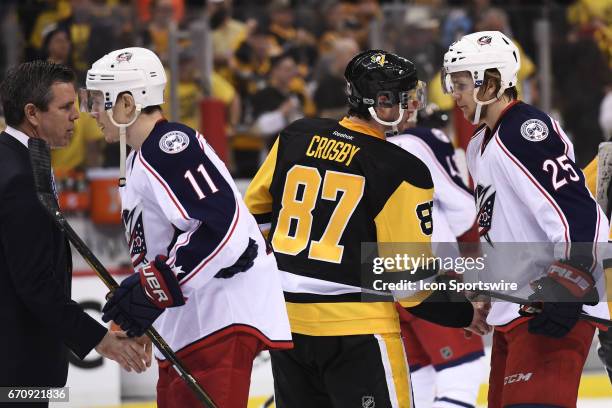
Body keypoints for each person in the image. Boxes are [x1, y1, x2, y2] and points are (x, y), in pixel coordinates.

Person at [244, 49, 490, 408]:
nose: (413, 107)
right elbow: (410, 283)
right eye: (406, 98)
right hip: (358, 334)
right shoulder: (400, 167)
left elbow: (255, 219)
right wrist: (463, 312)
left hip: (289, 328)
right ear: (382, 103)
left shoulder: (296, 135)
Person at [79, 47, 292, 408]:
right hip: (191, 325)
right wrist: (150, 306)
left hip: (218, 321)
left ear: (128, 104)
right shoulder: (139, 158)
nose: (92, 112)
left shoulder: (169, 147)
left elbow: (223, 228)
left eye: (99, 100)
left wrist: (153, 291)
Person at [441, 30, 610, 407]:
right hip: (514, 313)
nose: (455, 94)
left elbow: (578, 212)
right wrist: (488, 288)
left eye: (463, 84)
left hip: (550, 307)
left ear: (494, 83)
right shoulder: (477, 145)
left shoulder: (523, 131)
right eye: (452, 84)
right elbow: (499, 227)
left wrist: (572, 282)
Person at [0, 61, 150, 402]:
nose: (77, 116)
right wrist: (100, 340)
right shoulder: (20, 177)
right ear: (32, 113)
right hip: (15, 365)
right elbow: (34, 281)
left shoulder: (14, 160)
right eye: (66, 107)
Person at [389, 110, 487, 408]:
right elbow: (463, 210)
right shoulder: (420, 140)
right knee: (462, 373)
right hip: (430, 272)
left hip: (381, 276)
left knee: (417, 381)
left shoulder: (356, 145)